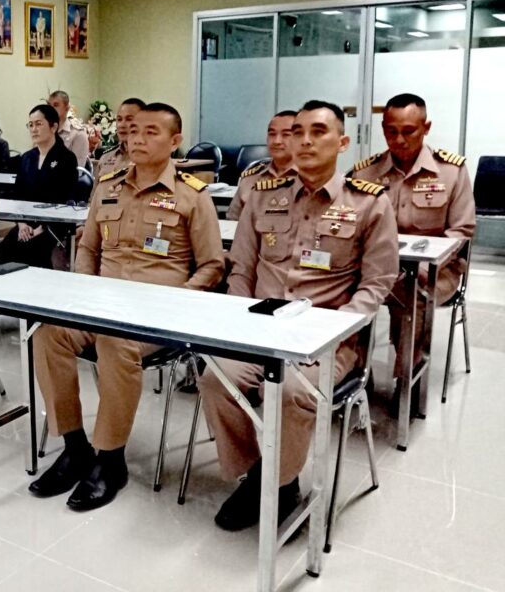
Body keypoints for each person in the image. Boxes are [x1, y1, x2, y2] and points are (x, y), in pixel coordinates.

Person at [199, 100, 398, 532]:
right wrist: (239, 324)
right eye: (297, 132)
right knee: (216, 379)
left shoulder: (369, 203)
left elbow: (378, 282)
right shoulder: (263, 196)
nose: (305, 141)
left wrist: (334, 329)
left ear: (342, 142)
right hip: (261, 329)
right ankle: (263, 476)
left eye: (318, 132)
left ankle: (278, 483)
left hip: (328, 340)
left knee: (292, 391)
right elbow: (242, 269)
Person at [28, 103, 225, 511]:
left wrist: (176, 302)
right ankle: (75, 446)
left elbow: (212, 265)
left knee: (116, 343)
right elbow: (88, 248)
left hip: (157, 316)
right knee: (47, 335)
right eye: (134, 131)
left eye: (151, 132)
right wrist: (84, 292)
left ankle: (110, 458)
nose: (138, 139)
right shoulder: (108, 186)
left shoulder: (192, 195)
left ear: (175, 141)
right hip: (102, 305)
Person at [349, 93, 475, 383]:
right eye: (391, 131)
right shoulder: (365, 172)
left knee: (412, 291)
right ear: (383, 129)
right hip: (377, 269)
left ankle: (408, 377)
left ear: (426, 128)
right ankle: (354, 372)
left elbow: (462, 231)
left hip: (436, 271)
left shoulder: (450, 171)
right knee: (340, 288)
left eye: (409, 131)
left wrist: (426, 267)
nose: (399, 140)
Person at [0, 104, 78, 269]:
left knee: (32, 250)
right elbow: (18, 194)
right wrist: (21, 224)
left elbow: (64, 197)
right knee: (5, 247)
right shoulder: (27, 158)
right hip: (27, 222)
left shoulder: (66, 158)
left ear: (53, 127)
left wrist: (41, 229)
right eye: (30, 125)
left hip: (53, 224)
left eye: (39, 124)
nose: (33, 129)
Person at [226, 110, 298, 221]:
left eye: (286, 134)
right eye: (272, 134)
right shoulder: (251, 178)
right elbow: (233, 221)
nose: (277, 141)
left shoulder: (312, 179)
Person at [93, 98, 145, 180]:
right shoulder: (106, 158)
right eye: (119, 119)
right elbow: (96, 188)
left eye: (129, 119)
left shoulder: (153, 160)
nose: (121, 125)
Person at [48, 90, 90, 168]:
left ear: (67, 108)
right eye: (49, 105)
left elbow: (77, 170)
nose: (50, 109)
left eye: (56, 105)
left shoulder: (78, 133)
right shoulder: (45, 131)